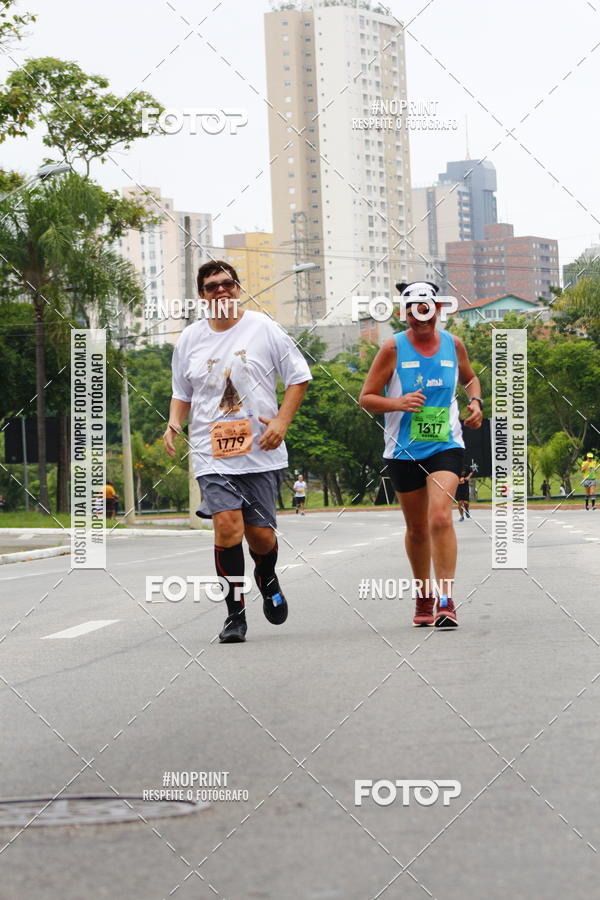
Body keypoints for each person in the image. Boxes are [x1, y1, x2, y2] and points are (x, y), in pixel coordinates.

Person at [163, 261, 312, 643]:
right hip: (211, 452)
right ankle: (235, 615)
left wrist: (281, 422)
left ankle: (267, 575)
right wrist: (173, 424)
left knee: (260, 536)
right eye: (212, 287)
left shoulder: (264, 328)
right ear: (202, 295)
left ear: (238, 288)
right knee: (228, 526)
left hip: (261, 450)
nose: (221, 291)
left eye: (227, 284)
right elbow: (182, 393)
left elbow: (299, 377)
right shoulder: (190, 340)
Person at [359, 281, 483, 628]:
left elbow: (471, 379)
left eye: (425, 310)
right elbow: (367, 397)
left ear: (438, 311)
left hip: (446, 445)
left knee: (440, 518)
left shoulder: (453, 345)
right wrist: (397, 402)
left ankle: (446, 599)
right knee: (416, 529)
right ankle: (423, 594)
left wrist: (476, 402)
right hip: (403, 450)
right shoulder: (392, 348)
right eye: (412, 311)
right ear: (405, 314)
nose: (419, 318)